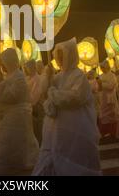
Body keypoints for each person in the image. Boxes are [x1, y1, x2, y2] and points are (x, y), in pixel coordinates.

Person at [33, 38, 101, 175]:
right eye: (57, 55)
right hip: (57, 130)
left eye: (61, 55)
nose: (58, 58)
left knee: (74, 159)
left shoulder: (79, 76)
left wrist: (53, 93)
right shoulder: (58, 77)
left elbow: (74, 98)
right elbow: (45, 94)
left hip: (76, 128)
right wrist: (47, 77)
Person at [0, 48, 39, 175]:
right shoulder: (10, 76)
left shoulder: (19, 77)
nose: (2, 67)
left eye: (3, 63)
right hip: (10, 117)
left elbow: (11, 96)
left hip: (17, 117)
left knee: (13, 144)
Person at [97, 60, 119, 139]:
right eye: (101, 67)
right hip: (103, 98)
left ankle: (112, 132)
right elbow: (98, 88)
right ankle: (104, 132)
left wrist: (102, 84)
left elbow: (111, 86)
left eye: (103, 67)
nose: (102, 69)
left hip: (110, 98)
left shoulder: (112, 75)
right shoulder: (101, 76)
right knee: (103, 115)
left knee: (112, 115)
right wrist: (99, 85)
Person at [24, 59, 44, 144]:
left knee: (38, 130)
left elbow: (36, 95)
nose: (26, 70)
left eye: (27, 67)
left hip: (36, 107)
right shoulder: (28, 78)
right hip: (29, 107)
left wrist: (30, 102)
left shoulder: (37, 79)